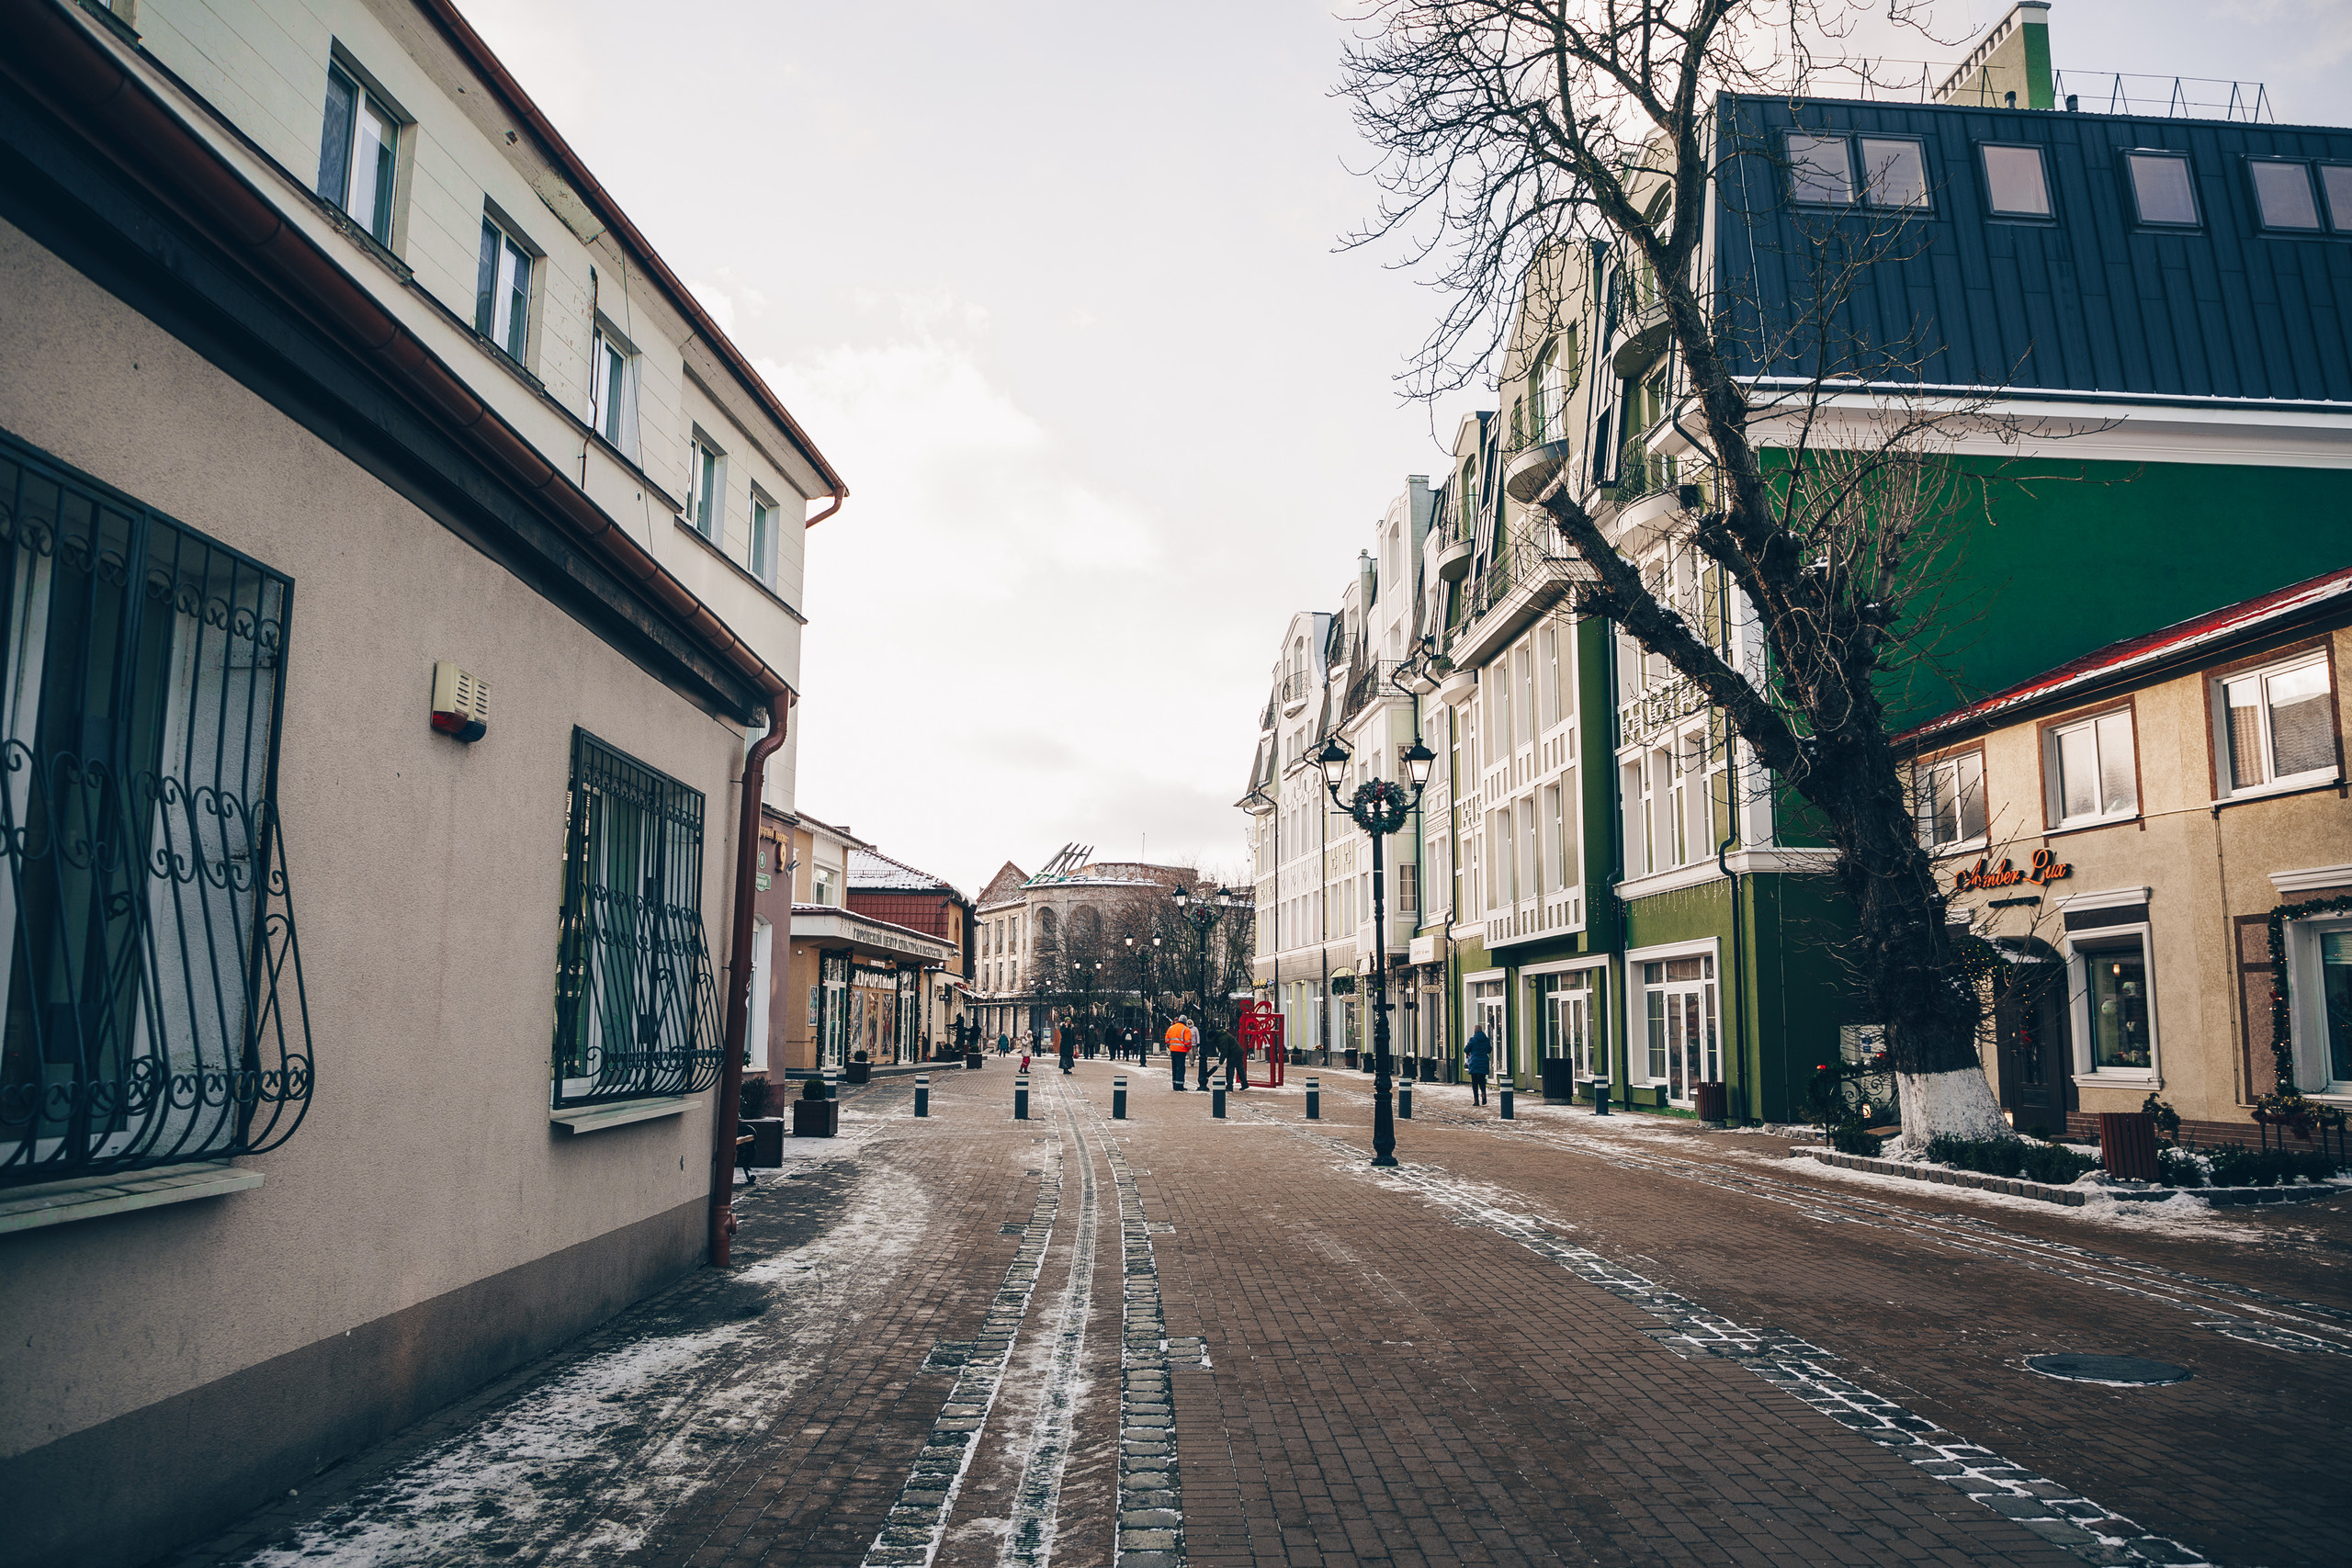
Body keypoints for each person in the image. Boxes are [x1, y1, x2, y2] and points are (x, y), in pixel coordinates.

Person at [1164, 1014, 1195, 1090]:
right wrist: (1188, 1049)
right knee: (1180, 1068)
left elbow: (1167, 1039)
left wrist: (1170, 1046)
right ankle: (1179, 1085)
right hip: (1181, 1051)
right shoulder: (1186, 1029)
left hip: (1173, 1050)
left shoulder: (1171, 1028)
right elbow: (1187, 1042)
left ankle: (1174, 1084)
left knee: (1174, 1067)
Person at [1464, 1022, 1492, 1107]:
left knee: (1475, 1082)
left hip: (1474, 1063)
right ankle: (1484, 1095)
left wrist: (1469, 1052)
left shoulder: (1472, 1040)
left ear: (1475, 1031)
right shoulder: (1486, 1040)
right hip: (1483, 1062)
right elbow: (1489, 1050)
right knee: (1482, 1080)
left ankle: (1476, 1100)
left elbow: (1466, 1049)